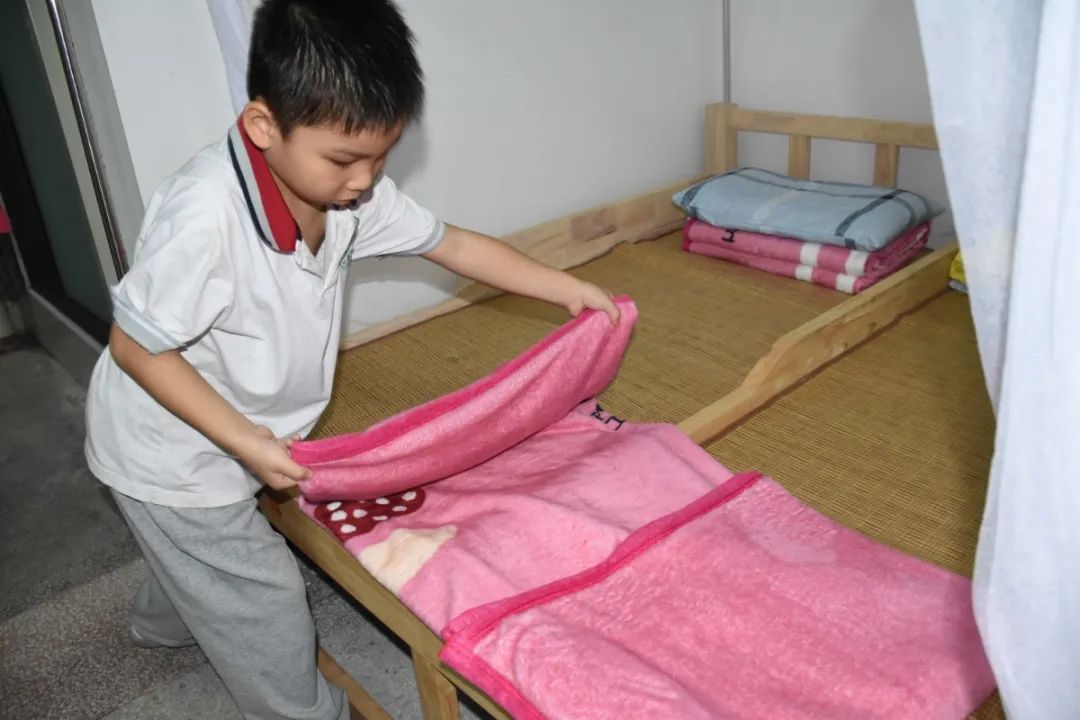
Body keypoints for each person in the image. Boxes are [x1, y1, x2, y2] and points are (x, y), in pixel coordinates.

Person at [83, 1, 618, 717]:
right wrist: (243, 441)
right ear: (264, 126)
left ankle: (164, 619)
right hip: (173, 452)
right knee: (262, 598)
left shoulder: (348, 197)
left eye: (381, 157)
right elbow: (135, 346)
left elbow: (453, 245)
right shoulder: (205, 216)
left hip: (252, 430)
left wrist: (563, 287)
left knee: (202, 568)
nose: (364, 180)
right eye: (343, 160)